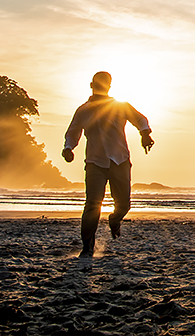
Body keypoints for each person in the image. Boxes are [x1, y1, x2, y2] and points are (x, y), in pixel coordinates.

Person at [62, 72, 154, 257]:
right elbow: (73, 132)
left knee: (124, 205)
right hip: (95, 163)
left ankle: (115, 219)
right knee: (92, 204)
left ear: (110, 86)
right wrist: (68, 148)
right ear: (91, 85)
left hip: (120, 160)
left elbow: (140, 119)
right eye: (98, 83)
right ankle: (87, 247)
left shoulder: (120, 106)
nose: (102, 86)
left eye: (106, 83)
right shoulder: (83, 110)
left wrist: (145, 134)